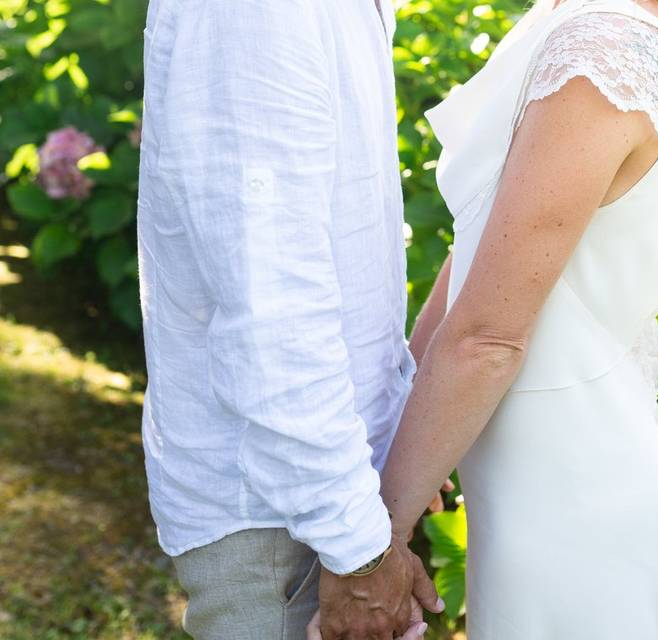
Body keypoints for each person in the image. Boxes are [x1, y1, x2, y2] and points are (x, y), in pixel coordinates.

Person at [333, 0, 658, 637]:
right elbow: (482, 253)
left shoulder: (603, 54)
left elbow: (489, 337)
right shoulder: (606, 25)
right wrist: (406, 430)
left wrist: (373, 546)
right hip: (554, 496)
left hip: (574, 514)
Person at [136, 1, 443, 638]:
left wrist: (393, 454)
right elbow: (272, 305)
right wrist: (358, 547)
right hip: (289, 518)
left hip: (331, 493)